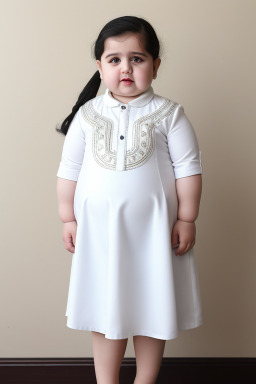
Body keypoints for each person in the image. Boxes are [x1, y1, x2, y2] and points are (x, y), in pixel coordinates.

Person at [56, 15, 203, 384]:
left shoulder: (170, 114)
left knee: (152, 303)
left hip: (155, 234)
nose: (126, 68)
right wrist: (68, 219)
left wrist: (186, 219)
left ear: (155, 65)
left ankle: (146, 379)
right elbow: (69, 168)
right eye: (115, 59)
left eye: (137, 59)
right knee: (107, 305)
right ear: (100, 67)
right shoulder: (87, 116)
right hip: (101, 235)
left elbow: (188, 168)